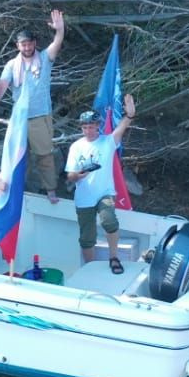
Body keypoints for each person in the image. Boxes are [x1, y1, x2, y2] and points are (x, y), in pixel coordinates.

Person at [0, 10, 66, 204]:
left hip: (40, 116)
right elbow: (2, 84)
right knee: (18, 157)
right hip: (19, 118)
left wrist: (60, 30)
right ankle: (15, 191)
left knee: (45, 156)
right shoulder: (11, 65)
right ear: (18, 46)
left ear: (34, 44)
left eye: (30, 43)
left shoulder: (45, 58)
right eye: (23, 44)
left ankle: (51, 190)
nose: (27, 47)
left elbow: (57, 43)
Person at [65, 93, 137, 273]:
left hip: (105, 192)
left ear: (98, 126)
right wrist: (77, 176)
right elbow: (70, 175)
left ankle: (114, 257)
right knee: (86, 237)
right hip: (84, 196)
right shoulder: (76, 147)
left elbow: (122, 127)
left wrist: (130, 115)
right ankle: (90, 267)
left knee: (109, 221)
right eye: (85, 127)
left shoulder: (108, 141)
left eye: (91, 127)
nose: (88, 131)